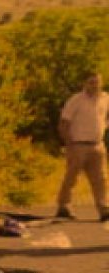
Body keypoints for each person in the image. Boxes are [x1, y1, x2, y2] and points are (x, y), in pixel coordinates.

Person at [55, 72, 109, 221]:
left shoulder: (105, 98)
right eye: (91, 82)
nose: (95, 85)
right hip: (78, 144)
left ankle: (104, 208)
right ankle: (64, 206)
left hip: (97, 144)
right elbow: (64, 123)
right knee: (71, 177)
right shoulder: (76, 100)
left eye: (97, 82)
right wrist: (69, 144)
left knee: (101, 179)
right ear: (84, 84)